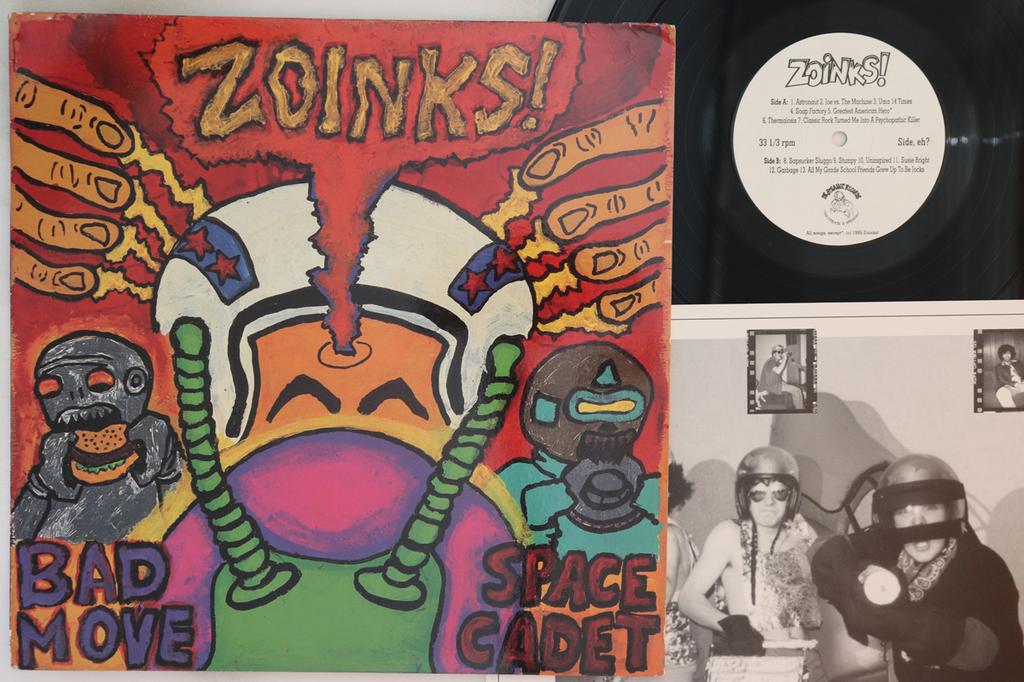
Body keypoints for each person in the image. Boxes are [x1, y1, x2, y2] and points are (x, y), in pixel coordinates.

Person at [812, 454, 1024, 681]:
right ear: (890, 519)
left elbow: (984, 652)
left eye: (930, 508)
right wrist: (851, 578)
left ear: (949, 510)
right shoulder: (896, 552)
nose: (918, 523)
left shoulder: (982, 565)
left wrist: (902, 621)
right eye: (903, 512)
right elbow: (831, 551)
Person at [679, 447, 823, 677]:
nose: (769, 502)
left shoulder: (802, 532)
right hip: (756, 661)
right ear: (745, 495)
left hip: (807, 658)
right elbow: (688, 598)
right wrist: (730, 625)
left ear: (792, 496)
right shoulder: (730, 533)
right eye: (758, 493)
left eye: (779, 493)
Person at [756, 344, 806, 410]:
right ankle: (800, 410)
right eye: (779, 352)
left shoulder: (775, 362)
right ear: (774, 353)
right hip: (771, 387)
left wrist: (785, 383)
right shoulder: (771, 361)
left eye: (781, 352)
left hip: (774, 385)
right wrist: (785, 359)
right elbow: (778, 371)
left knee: (794, 388)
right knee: (797, 390)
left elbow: (777, 376)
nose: (781, 354)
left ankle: (798, 407)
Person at [994, 343, 1024, 409]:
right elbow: (1001, 380)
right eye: (1004, 354)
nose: (1007, 355)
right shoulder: (999, 367)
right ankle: (1012, 412)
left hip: (1021, 383)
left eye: (1009, 353)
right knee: (1001, 393)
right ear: (1001, 355)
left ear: (1012, 354)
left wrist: (1021, 381)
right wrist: (1014, 384)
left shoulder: (1018, 363)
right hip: (1008, 386)